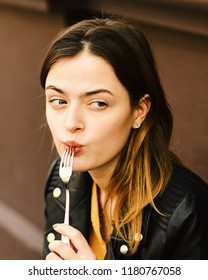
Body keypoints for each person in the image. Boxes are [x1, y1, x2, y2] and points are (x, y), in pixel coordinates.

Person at [40, 16, 208, 260]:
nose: (70, 123)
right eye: (58, 101)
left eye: (98, 103)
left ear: (139, 110)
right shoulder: (61, 182)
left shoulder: (187, 211)